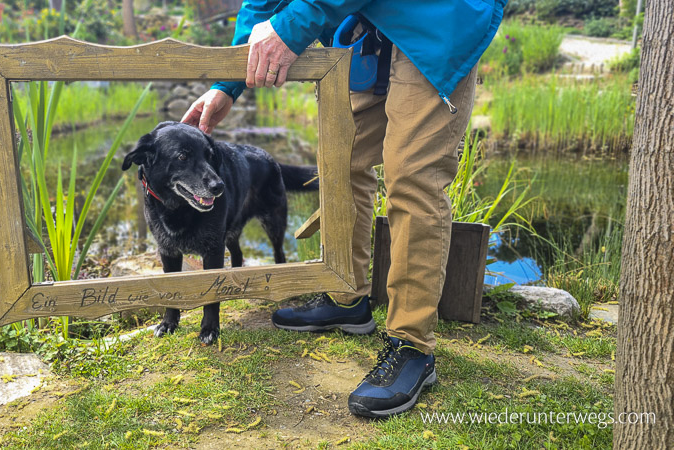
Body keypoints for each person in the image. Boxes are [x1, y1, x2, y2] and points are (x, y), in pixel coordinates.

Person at [182, 0, 506, 418]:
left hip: (436, 17)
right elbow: (261, 2)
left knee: (413, 177)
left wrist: (292, 25)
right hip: (368, 23)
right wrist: (227, 83)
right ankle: (348, 298)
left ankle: (411, 345)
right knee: (340, 160)